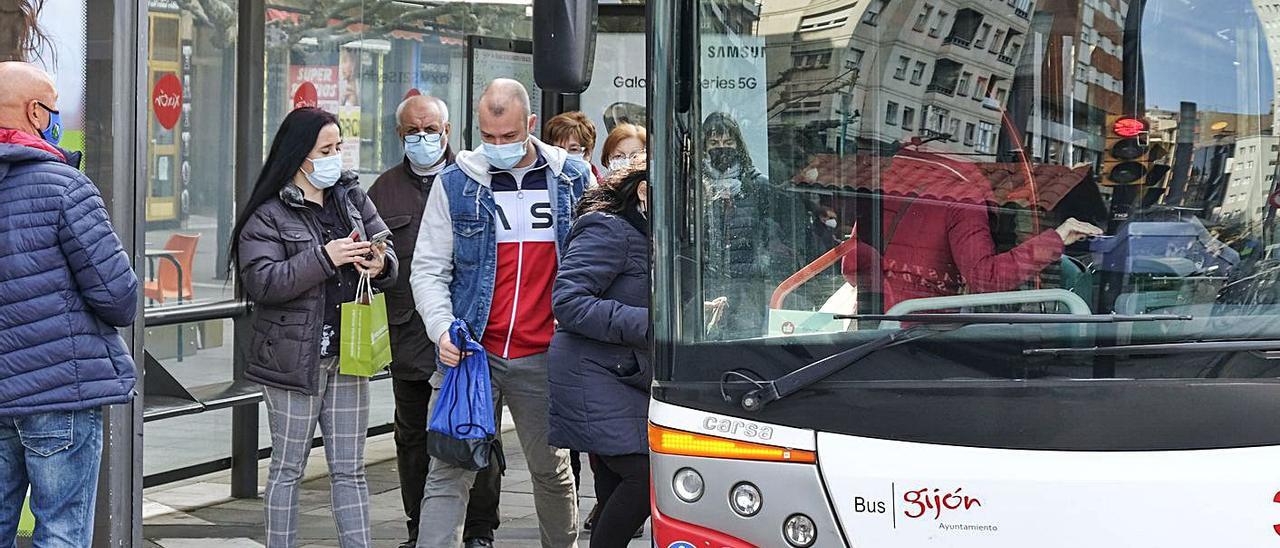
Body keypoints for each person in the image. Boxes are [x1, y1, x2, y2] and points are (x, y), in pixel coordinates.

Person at [411, 78, 587, 548]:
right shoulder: (456, 183)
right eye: (489, 137)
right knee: (448, 470)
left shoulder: (573, 178)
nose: (498, 147)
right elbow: (428, 269)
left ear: (530, 125)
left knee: (551, 472)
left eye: (509, 137)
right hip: (470, 354)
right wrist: (441, 327)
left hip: (546, 356)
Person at [230, 107, 397, 548]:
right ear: (299, 155)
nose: (335, 158)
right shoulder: (267, 215)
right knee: (288, 467)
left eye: (339, 147)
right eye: (326, 149)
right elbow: (263, 281)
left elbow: (386, 248)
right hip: (293, 357)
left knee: (350, 468)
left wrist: (380, 262)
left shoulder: (350, 196)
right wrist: (326, 257)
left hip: (350, 351)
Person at [0, 61, 139, 547]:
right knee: (61, 531)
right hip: (60, 391)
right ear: (36, 114)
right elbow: (118, 295)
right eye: (54, 109)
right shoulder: (64, 187)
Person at [368, 95, 504, 548]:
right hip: (408, 336)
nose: (422, 138)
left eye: (430, 129)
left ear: (447, 131)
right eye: (412, 131)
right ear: (399, 135)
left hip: (467, 335)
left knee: (475, 431)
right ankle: (418, 528)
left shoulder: (473, 178)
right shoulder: (383, 191)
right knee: (411, 436)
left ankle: (480, 529)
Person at [839, 148, 1102, 312]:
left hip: (867, 328)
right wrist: (1056, 238)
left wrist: (889, 285)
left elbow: (850, 266)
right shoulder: (964, 201)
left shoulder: (888, 190)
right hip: (922, 335)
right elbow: (985, 278)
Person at [547, 158, 652, 548]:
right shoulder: (608, 229)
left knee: (613, 483)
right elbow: (569, 302)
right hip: (591, 372)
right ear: (644, 191)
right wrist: (652, 324)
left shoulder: (648, 235)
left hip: (620, 372)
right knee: (642, 474)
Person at [699, 112, 796, 338]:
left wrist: (762, 265)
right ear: (703, 147)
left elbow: (776, 235)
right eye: (714, 143)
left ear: (738, 144)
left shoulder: (757, 186)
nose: (721, 149)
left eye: (728, 142)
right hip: (706, 288)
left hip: (748, 289)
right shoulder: (693, 186)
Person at [544, 111, 602, 185]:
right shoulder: (540, 182)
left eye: (573, 149)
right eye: (559, 150)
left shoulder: (602, 189)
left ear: (588, 153)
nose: (565, 156)